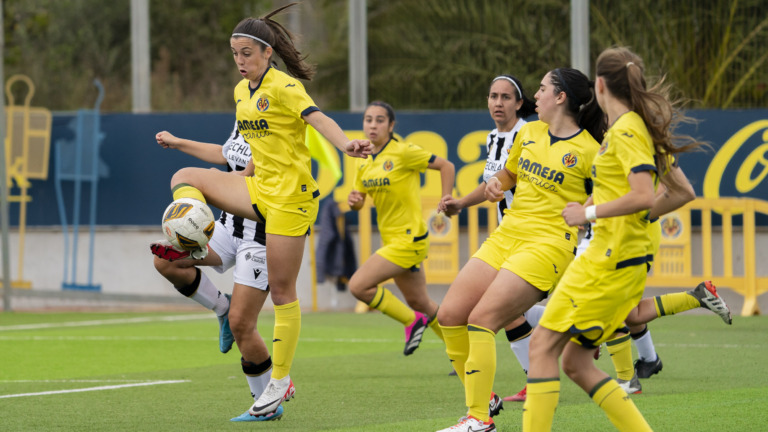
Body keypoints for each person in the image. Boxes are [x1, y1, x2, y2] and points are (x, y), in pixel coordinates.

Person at [153, 3, 371, 421]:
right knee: (185, 175)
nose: (240, 61)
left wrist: (347, 145)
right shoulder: (241, 93)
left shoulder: (285, 87)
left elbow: (318, 119)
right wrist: (231, 172)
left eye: (247, 54)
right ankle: (193, 235)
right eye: (235, 54)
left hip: (290, 200)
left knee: (285, 294)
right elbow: (252, 152)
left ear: (268, 53)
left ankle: (279, 381)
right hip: (259, 189)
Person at [522, 46, 705, 432]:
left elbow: (641, 194)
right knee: (575, 363)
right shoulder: (633, 128)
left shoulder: (624, 131)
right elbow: (681, 192)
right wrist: (633, 217)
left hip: (607, 261)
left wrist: (586, 214)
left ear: (601, 84)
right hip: (617, 260)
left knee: (540, 347)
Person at [436, 67, 605, 432]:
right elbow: (508, 175)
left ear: (560, 98)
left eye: (542, 89)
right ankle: (485, 397)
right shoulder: (528, 132)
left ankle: (478, 418)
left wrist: (588, 213)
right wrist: (494, 187)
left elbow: (607, 201)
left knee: (483, 319)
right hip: (506, 235)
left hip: (548, 245)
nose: (536, 95)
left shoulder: (591, 151)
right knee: (449, 315)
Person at [152, 123, 280, 422]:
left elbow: (252, 169)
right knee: (165, 260)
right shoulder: (244, 115)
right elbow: (224, 153)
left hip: (262, 235)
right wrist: (178, 141)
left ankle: (266, 402)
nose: (242, 74)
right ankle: (221, 307)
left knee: (242, 323)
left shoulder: (277, 119)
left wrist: (219, 181)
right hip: (228, 226)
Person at [440, 74, 541, 402]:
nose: (498, 103)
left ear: (519, 103)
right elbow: (494, 185)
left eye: (506, 97)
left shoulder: (527, 133)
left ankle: (578, 333)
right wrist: (460, 203)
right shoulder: (493, 138)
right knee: (508, 312)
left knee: (498, 311)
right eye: (493, 96)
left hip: (532, 237)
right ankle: (532, 382)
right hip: (505, 237)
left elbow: (519, 182)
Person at [347, 101, 454, 355]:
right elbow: (358, 201)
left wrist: (446, 198)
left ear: (391, 125)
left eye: (380, 120)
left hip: (409, 239)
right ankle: (461, 352)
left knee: (358, 286)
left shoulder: (404, 152)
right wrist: (355, 202)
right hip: (393, 241)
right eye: (368, 119)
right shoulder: (362, 160)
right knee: (421, 301)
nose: (373, 125)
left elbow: (446, 165)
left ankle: (411, 321)